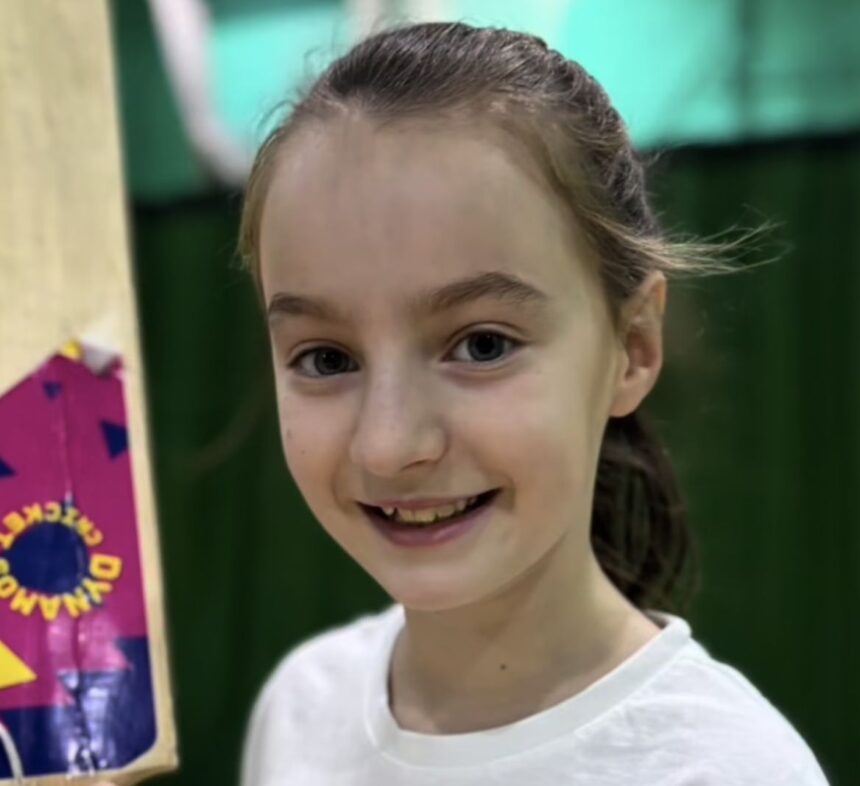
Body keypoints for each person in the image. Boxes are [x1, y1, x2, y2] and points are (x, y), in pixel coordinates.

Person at [114, 19, 833, 786]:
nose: (389, 445)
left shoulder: (723, 769)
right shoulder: (301, 706)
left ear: (633, 348)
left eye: (483, 344)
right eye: (326, 358)